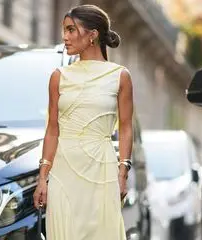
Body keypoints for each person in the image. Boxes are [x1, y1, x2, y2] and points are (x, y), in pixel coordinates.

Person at [33, 4, 133, 240]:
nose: (64, 37)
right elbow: (52, 130)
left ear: (92, 35)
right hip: (63, 173)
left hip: (102, 172)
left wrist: (122, 172)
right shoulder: (58, 77)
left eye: (71, 30)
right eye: (64, 31)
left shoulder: (120, 76)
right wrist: (42, 178)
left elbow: (126, 127)